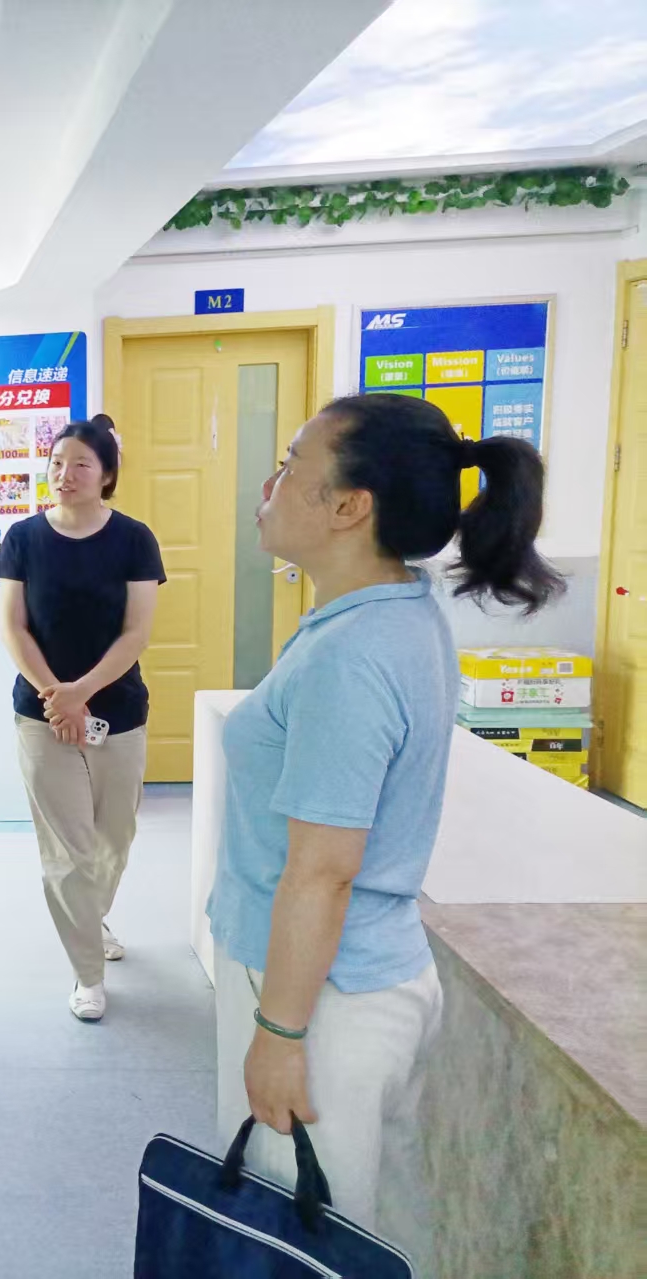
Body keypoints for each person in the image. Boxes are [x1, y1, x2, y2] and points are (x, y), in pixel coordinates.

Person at [210, 394, 561, 1243]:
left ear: (348, 506)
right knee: (356, 1229)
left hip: (323, 1001)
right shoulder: (393, 610)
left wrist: (280, 1033)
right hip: (353, 979)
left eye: (291, 464)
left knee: (299, 1242)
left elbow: (323, 871)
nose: (269, 485)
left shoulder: (352, 655)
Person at [0, 414, 164, 1023]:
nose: (65, 475)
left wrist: (82, 692)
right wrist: (56, 696)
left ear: (107, 475)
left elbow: (136, 632)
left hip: (118, 712)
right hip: (42, 717)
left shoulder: (134, 539)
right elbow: (13, 627)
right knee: (68, 851)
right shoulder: (23, 538)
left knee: (113, 839)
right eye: (57, 463)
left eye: (81, 465)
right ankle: (87, 973)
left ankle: (93, 918)